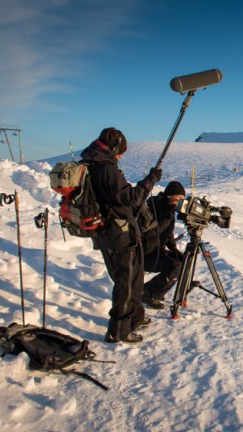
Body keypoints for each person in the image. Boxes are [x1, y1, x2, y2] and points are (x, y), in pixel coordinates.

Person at [81, 127, 161, 344]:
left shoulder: (92, 164)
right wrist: (150, 181)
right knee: (126, 282)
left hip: (112, 231)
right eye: (121, 151)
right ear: (114, 149)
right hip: (118, 233)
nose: (122, 156)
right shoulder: (106, 169)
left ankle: (134, 318)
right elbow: (131, 198)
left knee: (134, 279)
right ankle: (119, 330)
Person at [140, 181, 186, 309]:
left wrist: (174, 249)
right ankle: (151, 294)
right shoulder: (153, 206)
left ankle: (148, 288)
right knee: (175, 265)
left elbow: (168, 233)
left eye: (182, 198)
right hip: (146, 253)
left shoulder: (167, 207)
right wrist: (168, 215)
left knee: (181, 260)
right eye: (178, 198)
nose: (180, 201)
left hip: (156, 250)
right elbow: (152, 231)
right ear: (169, 195)